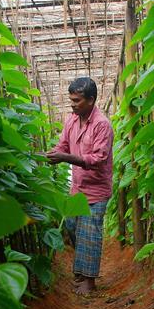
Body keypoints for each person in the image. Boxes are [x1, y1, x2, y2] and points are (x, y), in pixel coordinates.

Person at [45, 77, 114, 295]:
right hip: (77, 187)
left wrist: (66, 157)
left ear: (91, 100)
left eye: (77, 101)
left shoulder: (102, 124)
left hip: (96, 189)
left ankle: (89, 280)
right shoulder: (72, 120)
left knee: (90, 232)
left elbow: (98, 159)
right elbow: (63, 144)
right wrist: (56, 152)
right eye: (71, 100)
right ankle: (82, 270)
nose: (72, 104)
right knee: (72, 226)